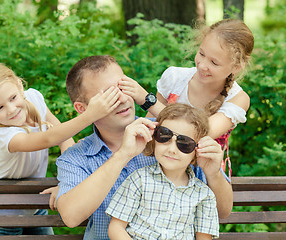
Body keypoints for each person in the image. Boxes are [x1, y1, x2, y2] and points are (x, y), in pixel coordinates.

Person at [56, 55, 232, 240]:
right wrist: (122, 155)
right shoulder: (76, 157)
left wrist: (214, 175)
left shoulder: (169, 136)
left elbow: (223, 210)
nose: (123, 98)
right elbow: (71, 216)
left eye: (122, 87)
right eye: (109, 95)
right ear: (82, 109)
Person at [0, 62, 121, 236]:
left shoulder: (34, 97)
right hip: (5, 211)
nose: (11, 109)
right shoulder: (7, 136)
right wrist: (90, 115)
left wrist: (67, 183)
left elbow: (64, 139)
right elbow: (49, 138)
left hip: (35, 206)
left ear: (19, 85)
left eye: (13, 98)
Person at [119, 19, 254, 177]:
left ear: (236, 67)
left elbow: (197, 133)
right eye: (201, 54)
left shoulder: (237, 99)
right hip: (158, 168)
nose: (203, 65)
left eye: (214, 63)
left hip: (203, 177)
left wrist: (147, 100)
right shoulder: (175, 78)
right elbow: (151, 128)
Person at [106, 103, 220, 240]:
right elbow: (116, 228)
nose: (172, 149)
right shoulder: (139, 180)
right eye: (164, 136)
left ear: (198, 150)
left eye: (184, 144)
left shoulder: (204, 195)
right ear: (154, 138)